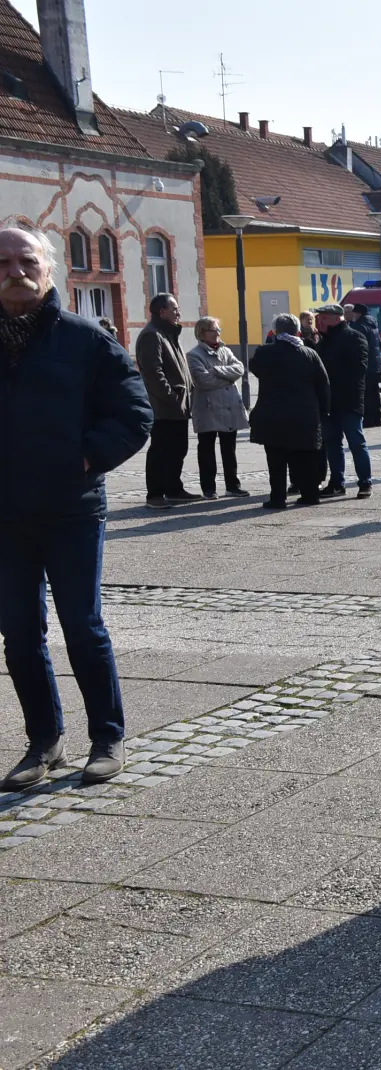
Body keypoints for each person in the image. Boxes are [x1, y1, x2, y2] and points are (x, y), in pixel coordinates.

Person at [0, 226, 152, 790]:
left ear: (48, 269)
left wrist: (85, 459)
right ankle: (44, 742)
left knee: (82, 626)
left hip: (70, 509)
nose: (15, 270)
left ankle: (106, 736)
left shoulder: (84, 338)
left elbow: (134, 413)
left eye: (26, 260)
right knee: (18, 633)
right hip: (5, 516)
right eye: (3, 262)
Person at [249, 315, 330, 509]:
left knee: (276, 459)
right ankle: (310, 495)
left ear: (276, 331)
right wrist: (324, 410)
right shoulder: (309, 353)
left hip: (273, 415)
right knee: (306, 457)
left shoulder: (265, 352)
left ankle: (278, 498)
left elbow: (254, 367)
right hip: (305, 415)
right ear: (297, 331)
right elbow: (323, 383)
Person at [135, 292, 197, 508]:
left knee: (178, 449)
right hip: (164, 406)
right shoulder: (152, 335)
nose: (178, 312)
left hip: (178, 405)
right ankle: (155, 494)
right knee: (161, 451)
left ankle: (173, 489)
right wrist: (171, 397)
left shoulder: (169, 333)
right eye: (174, 309)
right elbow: (154, 373)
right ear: (162, 312)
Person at [313, 303, 372, 499]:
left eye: (323, 318)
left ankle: (365, 482)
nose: (319, 322)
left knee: (356, 442)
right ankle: (337, 483)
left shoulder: (355, 337)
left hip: (349, 401)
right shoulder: (322, 342)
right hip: (328, 403)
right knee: (332, 444)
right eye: (318, 318)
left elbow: (359, 370)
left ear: (337, 318)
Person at [187, 316, 250, 499]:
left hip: (229, 406)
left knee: (229, 449)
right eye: (214, 330)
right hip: (208, 408)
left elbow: (239, 369)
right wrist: (227, 375)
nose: (218, 334)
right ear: (202, 333)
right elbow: (202, 380)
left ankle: (233, 485)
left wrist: (217, 371)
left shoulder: (225, 351)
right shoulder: (194, 355)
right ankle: (208, 488)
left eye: (218, 330)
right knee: (206, 449)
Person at [347, 304, 381, 429]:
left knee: (366, 394)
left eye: (354, 313)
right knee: (375, 393)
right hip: (376, 364)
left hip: (366, 365)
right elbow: (379, 343)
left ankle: (368, 420)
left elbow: (356, 345)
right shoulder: (373, 325)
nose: (352, 315)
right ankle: (377, 418)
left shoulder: (359, 326)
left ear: (358, 313)